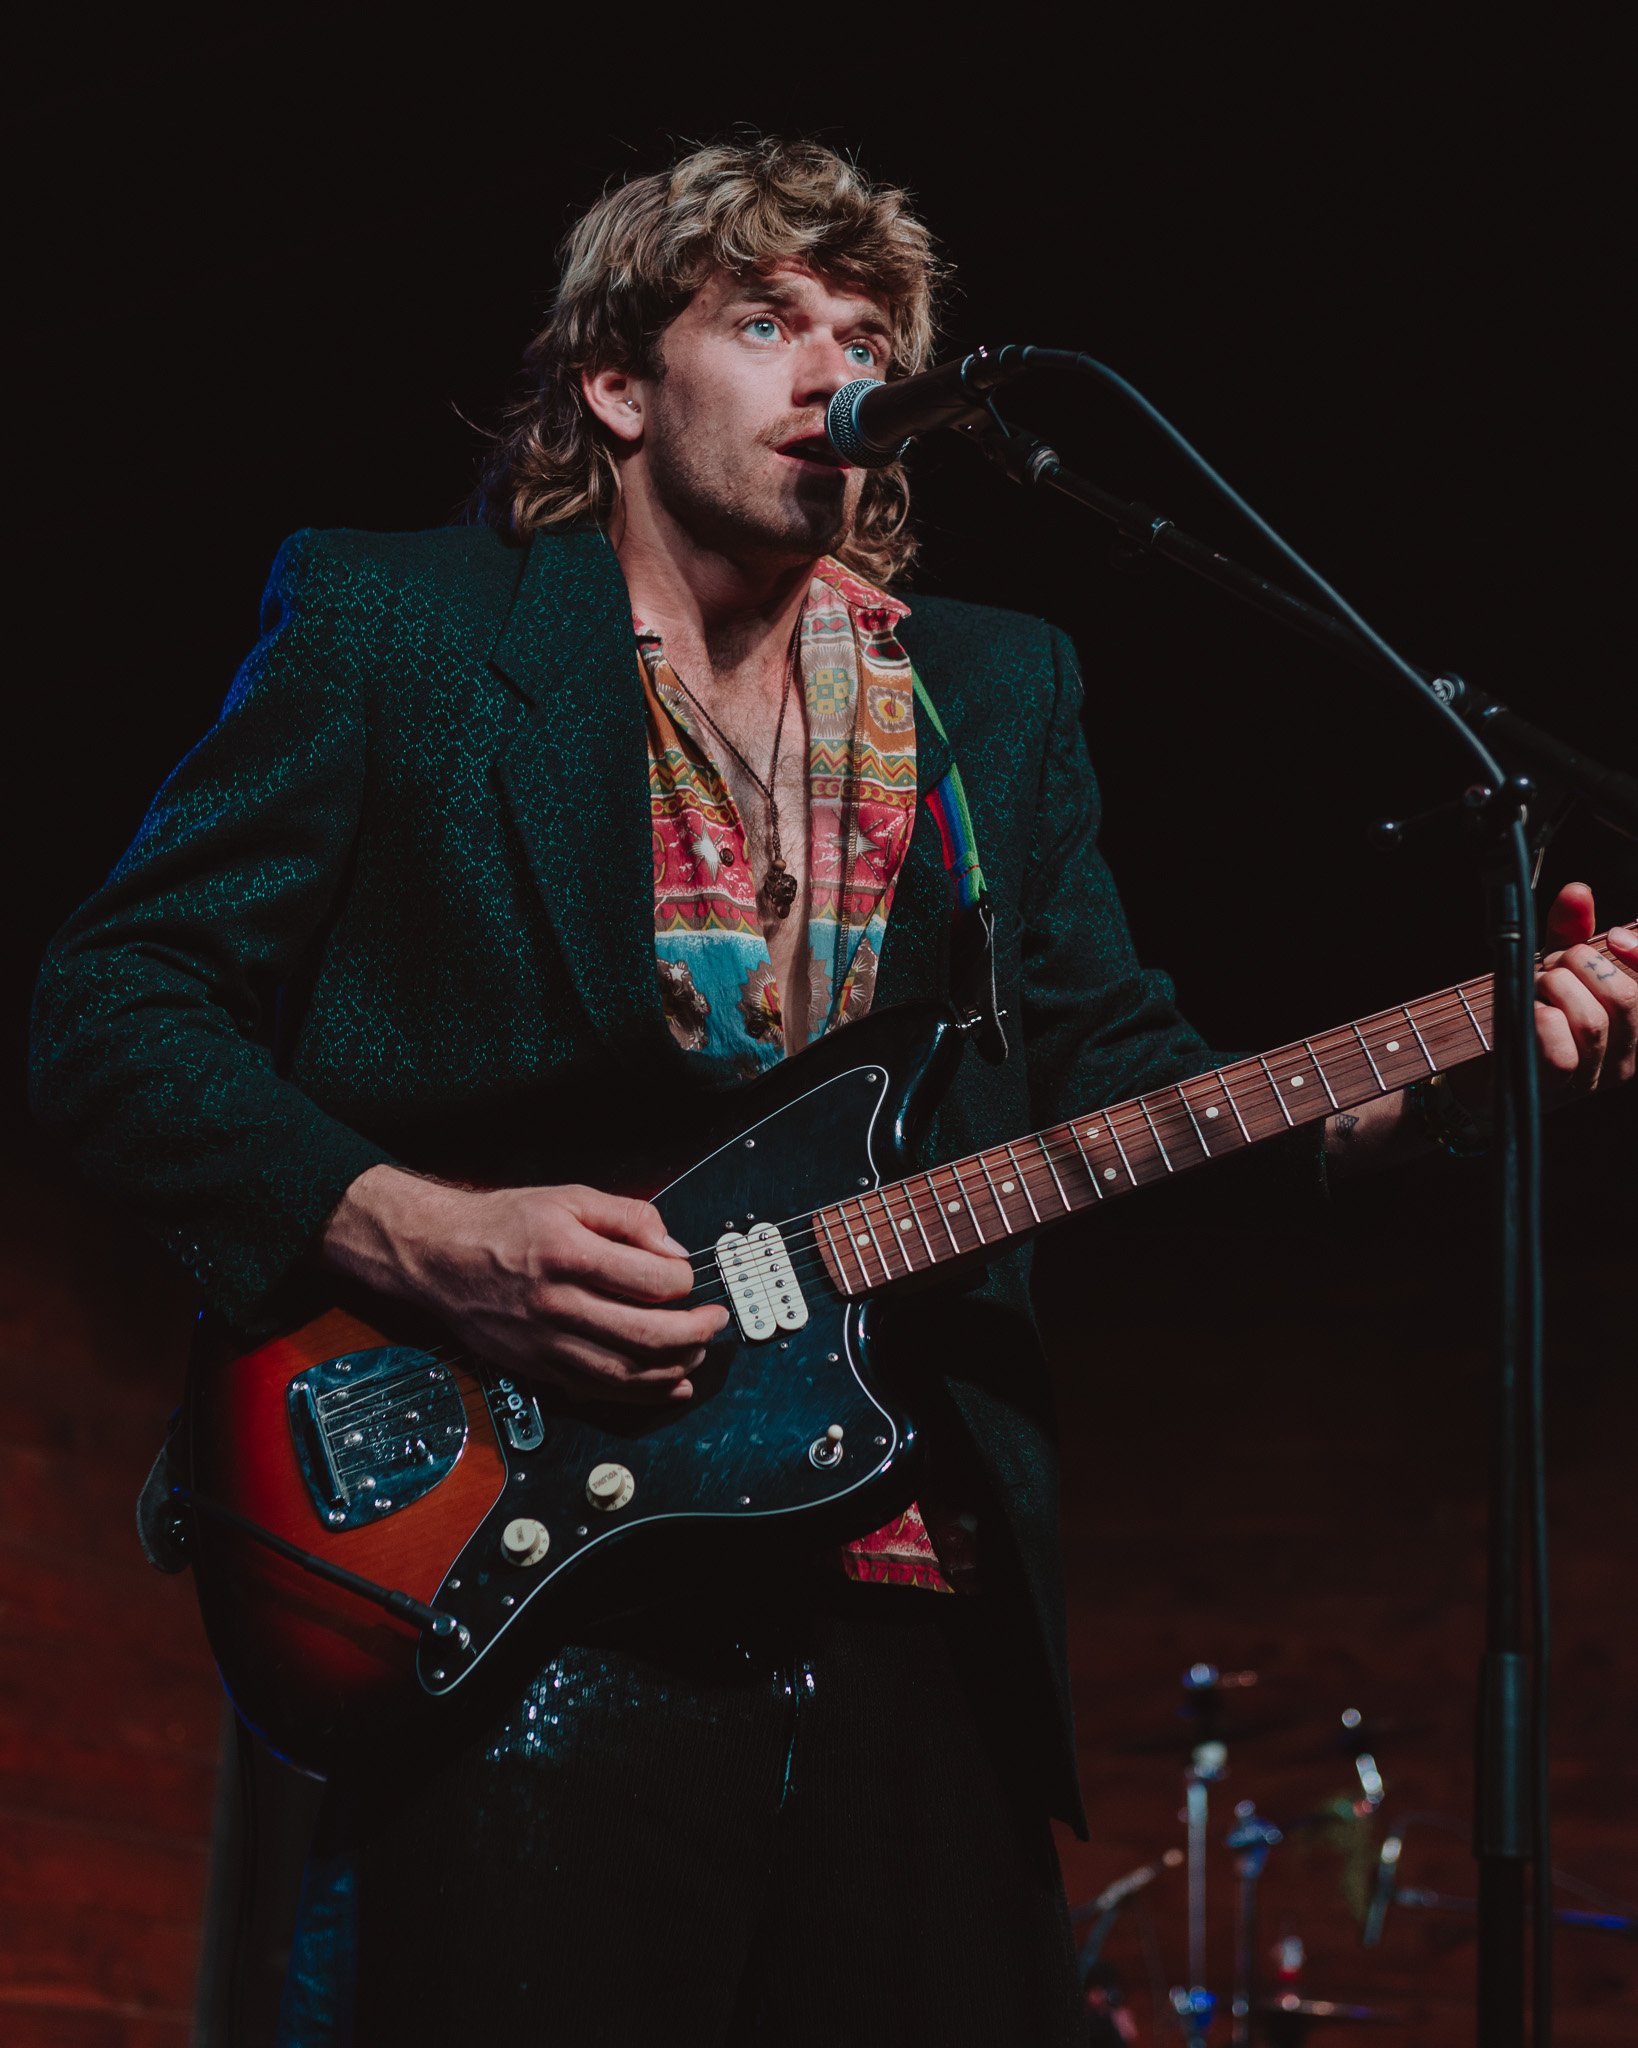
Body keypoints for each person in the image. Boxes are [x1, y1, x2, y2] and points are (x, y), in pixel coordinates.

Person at [29, 137, 1637, 2045]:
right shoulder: (405, 630)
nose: (831, 370)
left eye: (866, 333)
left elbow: (1117, 1076)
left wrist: (1436, 1079)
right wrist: (423, 1231)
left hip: (907, 1580)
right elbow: (113, 1003)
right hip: (534, 1585)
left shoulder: (985, 692)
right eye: (767, 318)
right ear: (618, 383)